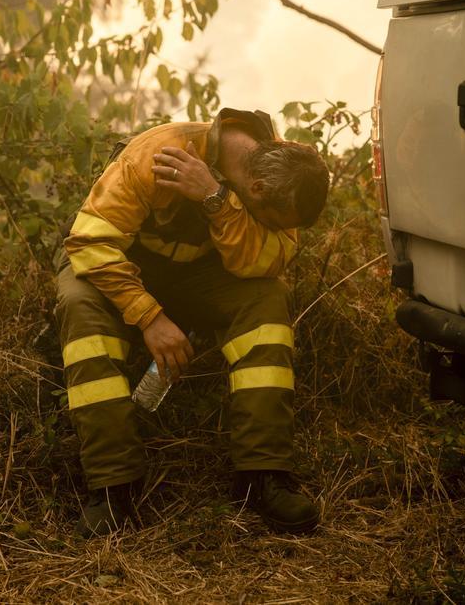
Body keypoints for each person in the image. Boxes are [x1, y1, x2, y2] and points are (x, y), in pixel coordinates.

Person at [54, 107, 329, 537]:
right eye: (277, 222)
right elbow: (91, 243)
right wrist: (150, 317)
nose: (284, 232)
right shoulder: (159, 152)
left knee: (268, 298)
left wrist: (215, 199)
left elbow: (264, 262)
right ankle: (112, 485)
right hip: (118, 263)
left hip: (196, 276)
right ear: (256, 188)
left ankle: (263, 474)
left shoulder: (283, 176)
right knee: (79, 304)